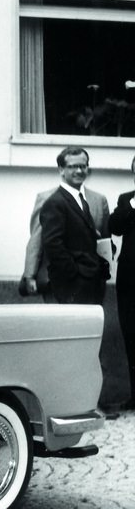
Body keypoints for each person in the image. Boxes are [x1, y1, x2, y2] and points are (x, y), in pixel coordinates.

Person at [38, 146, 111, 305]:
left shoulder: (81, 200)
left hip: (92, 282)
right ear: (61, 170)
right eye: (72, 166)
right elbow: (52, 244)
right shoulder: (55, 203)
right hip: (72, 284)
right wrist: (75, 274)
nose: (79, 171)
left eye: (83, 166)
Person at [109, 153, 135, 407]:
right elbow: (114, 226)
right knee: (131, 335)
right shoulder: (127, 199)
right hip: (130, 281)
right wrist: (131, 207)